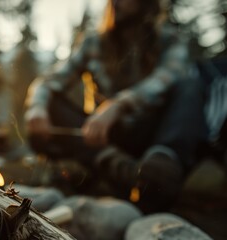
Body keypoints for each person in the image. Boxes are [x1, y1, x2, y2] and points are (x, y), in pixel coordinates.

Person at [24, 0, 207, 212]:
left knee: (190, 85)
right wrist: (37, 108)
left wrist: (118, 105)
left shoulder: (170, 40)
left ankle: (161, 167)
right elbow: (49, 81)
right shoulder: (94, 42)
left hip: (152, 134)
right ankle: (120, 168)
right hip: (104, 137)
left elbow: (167, 78)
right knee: (50, 103)